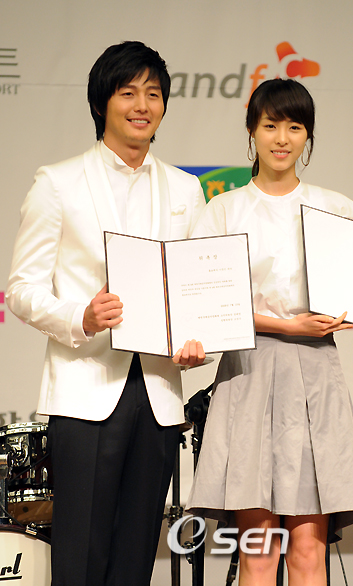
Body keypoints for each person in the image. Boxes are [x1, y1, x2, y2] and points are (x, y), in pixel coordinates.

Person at [185, 78, 353, 586]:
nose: (282, 138)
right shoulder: (223, 210)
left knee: (309, 552)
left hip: (315, 375)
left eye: (295, 127)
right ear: (251, 131)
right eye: (271, 125)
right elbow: (207, 302)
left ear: (308, 136)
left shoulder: (335, 207)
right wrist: (286, 324)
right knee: (259, 552)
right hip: (248, 372)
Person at [6, 41, 206, 586]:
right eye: (128, 93)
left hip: (159, 392)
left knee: (135, 558)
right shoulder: (58, 182)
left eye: (153, 94)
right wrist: (82, 317)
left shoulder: (187, 189)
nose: (142, 105)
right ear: (101, 103)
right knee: (80, 556)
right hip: (86, 387)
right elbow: (21, 289)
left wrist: (198, 339)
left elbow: (196, 287)